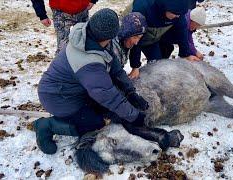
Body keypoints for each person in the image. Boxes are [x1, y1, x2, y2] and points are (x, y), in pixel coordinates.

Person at [33, 8, 149, 155]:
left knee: (102, 110)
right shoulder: (89, 62)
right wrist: (134, 116)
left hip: (74, 89)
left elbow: (116, 69)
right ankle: (47, 125)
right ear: (109, 36)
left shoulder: (91, 37)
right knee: (94, 123)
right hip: (58, 97)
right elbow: (107, 95)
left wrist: (131, 92)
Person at [128, 0, 198, 79]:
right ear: (165, 7)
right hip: (135, 34)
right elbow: (135, 36)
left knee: (161, 59)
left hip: (155, 35)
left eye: (179, 15)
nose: (178, 17)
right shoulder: (143, 8)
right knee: (156, 63)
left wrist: (186, 54)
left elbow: (182, 30)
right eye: (175, 14)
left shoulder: (177, 12)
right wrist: (135, 66)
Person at [30, 0, 98, 54]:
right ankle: (61, 69)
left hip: (83, 11)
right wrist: (41, 14)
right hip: (61, 13)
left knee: (84, 44)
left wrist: (93, 1)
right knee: (63, 49)